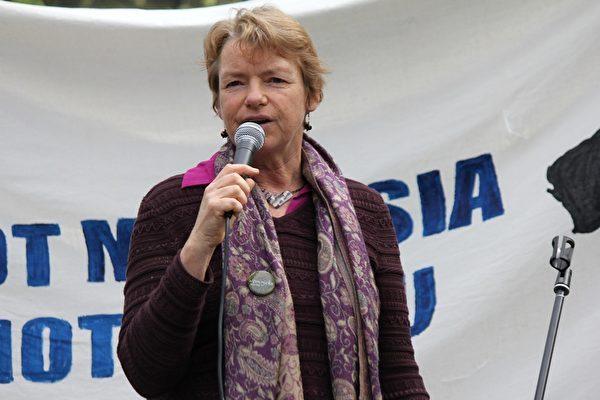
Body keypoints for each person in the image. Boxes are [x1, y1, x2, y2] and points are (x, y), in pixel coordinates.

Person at [118, 6, 429, 400]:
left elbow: (399, 372)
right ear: (218, 104)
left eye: (275, 79)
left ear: (312, 94)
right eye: (234, 84)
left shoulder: (362, 210)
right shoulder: (174, 204)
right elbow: (145, 372)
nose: (254, 97)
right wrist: (198, 245)